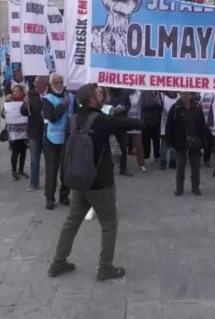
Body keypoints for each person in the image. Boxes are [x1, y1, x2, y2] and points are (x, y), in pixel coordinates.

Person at [47, 83, 144, 282]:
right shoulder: (100, 120)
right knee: (109, 224)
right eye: (99, 95)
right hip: (100, 183)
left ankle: (58, 261)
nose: (102, 97)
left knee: (71, 222)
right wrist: (139, 122)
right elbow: (133, 125)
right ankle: (105, 267)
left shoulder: (73, 120)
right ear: (91, 99)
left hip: (79, 180)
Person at [42, 73, 75, 209]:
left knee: (66, 168)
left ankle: (64, 195)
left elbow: (76, 112)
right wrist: (62, 105)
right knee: (52, 169)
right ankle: (49, 197)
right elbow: (52, 117)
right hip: (52, 139)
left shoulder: (71, 96)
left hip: (68, 137)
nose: (59, 85)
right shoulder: (47, 99)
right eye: (56, 83)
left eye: (61, 82)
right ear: (51, 85)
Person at [166, 92, 207, 196]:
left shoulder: (197, 107)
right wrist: (170, 143)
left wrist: (203, 142)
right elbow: (169, 126)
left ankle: (195, 187)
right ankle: (179, 188)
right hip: (180, 142)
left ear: (191, 95)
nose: (184, 96)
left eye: (186, 94)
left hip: (195, 142)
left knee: (195, 166)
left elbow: (202, 125)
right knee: (180, 166)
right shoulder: (175, 108)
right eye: (182, 94)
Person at [21, 75, 48, 191]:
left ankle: (52, 182)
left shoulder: (51, 94)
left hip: (49, 132)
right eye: (35, 82)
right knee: (34, 159)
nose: (35, 85)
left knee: (50, 160)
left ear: (45, 83)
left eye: (38, 83)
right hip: (34, 132)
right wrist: (25, 105)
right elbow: (23, 112)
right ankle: (34, 183)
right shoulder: (30, 94)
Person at [3, 84, 30, 181]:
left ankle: (21, 170)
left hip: (24, 130)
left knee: (23, 151)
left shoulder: (26, 101)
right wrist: (4, 113)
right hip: (13, 130)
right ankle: (14, 171)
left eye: (16, 91)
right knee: (15, 151)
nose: (14, 93)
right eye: (13, 91)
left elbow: (30, 113)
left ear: (22, 92)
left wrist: (27, 103)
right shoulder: (9, 101)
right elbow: (2, 114)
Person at [126, 89, 147, 174]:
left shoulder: (139, 93)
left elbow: (144, 104)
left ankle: (141, 164)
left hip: (136, 121)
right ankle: (123, 165)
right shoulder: (124, 93)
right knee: (122, 145)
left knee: (139, 145)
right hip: (125, 121)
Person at [140, 91, 162, 164]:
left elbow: (161, 106)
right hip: (147, 121)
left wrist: (160, 105)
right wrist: (155, 104)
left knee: (156, 140)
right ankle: (146, 157)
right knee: (146, 140)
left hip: (157, 120)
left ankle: (157, 156)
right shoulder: (144, 93)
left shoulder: (158, 93)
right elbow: (143, 106)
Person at [159, 91, 179, 171]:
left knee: (174, 144)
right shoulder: (163, 97)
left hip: (175, 126)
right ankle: (163, 162)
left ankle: (172, 161)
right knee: (164, 144)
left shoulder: (178, 98)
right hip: (165, 125)